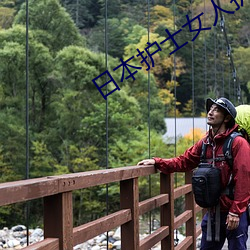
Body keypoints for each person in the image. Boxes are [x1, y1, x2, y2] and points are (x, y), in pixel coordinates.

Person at [137, 97, 250, 250]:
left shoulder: (238, 143)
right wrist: (157, 162)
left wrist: (236, 212)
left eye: (216, 110)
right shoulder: (205, 143)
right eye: (210, 109)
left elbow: (244, 178)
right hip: (213, 211)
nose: (210, 112)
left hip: (233, 211)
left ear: (227, 118)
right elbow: (184, 161)